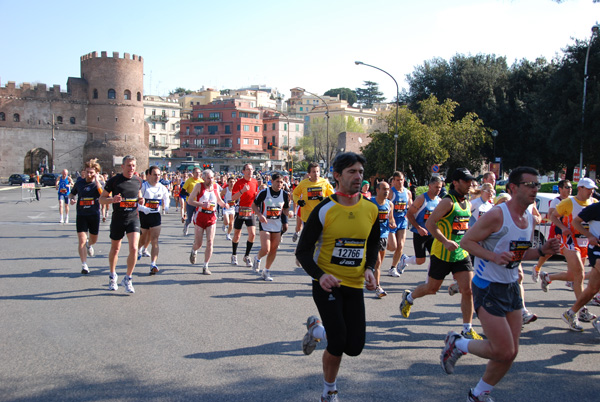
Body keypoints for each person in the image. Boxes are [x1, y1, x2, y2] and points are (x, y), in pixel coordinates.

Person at [444, 167, 560, 402]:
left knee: (511, 353)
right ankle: (458, 343)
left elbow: (519, 254)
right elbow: (467, 242)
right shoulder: (497, 214)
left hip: (511, 287)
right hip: (488, 286)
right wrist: (493, 257)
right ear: (513, 188)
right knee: (503, 350)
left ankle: (479, 393)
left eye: (537, 184)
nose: (535, 189)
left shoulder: (528, 217)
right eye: (530, 184)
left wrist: (541, 251)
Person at [296, 152, 379, 402]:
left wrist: (369, 268)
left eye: (361, 172)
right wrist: (320, 276)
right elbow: (302, 251)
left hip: (354, 284)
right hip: (327, 285)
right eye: (352, 172)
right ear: (337, 176)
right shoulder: (324, 209)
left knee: (354, 347)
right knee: (338, 341)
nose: (358, 176)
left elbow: (373, 242)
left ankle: (316, 327)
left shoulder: (371, 209)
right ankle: (329, 389)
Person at [399, 168, 482, 340]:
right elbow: (430, 223)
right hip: (442, 253)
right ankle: (409, 297)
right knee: (431, 288)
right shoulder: (448, 202)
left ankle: (467, 328)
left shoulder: (466, 200)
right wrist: (445, 241)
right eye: (465, 181)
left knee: (468, 290)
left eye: (470, 181)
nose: (469, 184)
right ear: (456, 182)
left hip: (461, 253)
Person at [541, 177, 598, 323]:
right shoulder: (568, 203)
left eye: (593, 190)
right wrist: (563, 227)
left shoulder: (594, 203)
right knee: (579, 272)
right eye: (588, 189)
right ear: (580, 188)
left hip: (586, 242)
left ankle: (548, 277)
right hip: (569, 241)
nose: (591, 192)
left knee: (574, 275)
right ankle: (581, 311)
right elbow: (552, 216)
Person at [99, 155, 144, 294]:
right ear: (123, 166)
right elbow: (101, 199)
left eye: (133, 166)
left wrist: (141, 199)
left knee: (134, 248)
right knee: (115, 248)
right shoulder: (114, 181)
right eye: (129, 165)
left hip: (133, 218)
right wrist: (112, 199)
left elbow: (138, 193)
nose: (131, 168)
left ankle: (128, 278)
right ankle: (112, 276)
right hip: (118, 218)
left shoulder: (138, 180)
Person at [562, 201, 600, 333]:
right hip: (597, 250)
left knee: (592, 289)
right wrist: (590, 236)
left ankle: (570, 313)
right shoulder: (595, 208)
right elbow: (575, 222)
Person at [399, 176, 443, 273]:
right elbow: (409, 214)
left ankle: (429, 281)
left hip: (432, 234)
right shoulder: (421, 199)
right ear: (430, 186)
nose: (438, 189)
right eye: (436, 187)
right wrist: (418, 228)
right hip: (420, 233)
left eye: (440, 187)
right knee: (420, 260)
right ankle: (404, 260)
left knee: (435, 259)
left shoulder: (439, 201)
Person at [252, 172, 290, 281]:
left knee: (274, 250)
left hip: (277, 224)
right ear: (272, 181)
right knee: (266, 249)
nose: (279, 184)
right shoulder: (264, 193)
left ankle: (266, 271)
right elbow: (254, 205)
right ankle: (257, 258)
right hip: (265, 223)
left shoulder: (284, 195)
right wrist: (259, 215)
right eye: (277, 181)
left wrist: (289, 213)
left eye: (281, 182)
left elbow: (286, 209)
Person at [532, 179, 572, 282]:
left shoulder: (571, 201)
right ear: (560, 189)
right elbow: (550, 215)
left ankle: (571, 277)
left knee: (571, 252)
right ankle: (537, 268)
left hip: (568, 230)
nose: (569, 189)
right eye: (567, 187)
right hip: (557, 229)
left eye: (570, 187)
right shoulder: (556, 200)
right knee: (550, 252)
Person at [187, 169, 227, 275]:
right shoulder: (199, 186)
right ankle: (194, 250)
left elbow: (218, 200)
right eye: (208, 178)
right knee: (199, 243)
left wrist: (224, 205)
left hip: (211, 217)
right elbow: (190, 201)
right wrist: (201, 204)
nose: (211, 180)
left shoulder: (215, 186)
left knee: (210, 242)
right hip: (200, 217)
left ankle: (205, 266)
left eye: (212, 178)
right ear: (203, 178)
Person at [69, 159, 103, 274]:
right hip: (82, 215)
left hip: (94, 214)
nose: (89, 175)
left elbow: (103, 194)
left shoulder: (99, 184)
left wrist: (97, 181)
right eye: (87, 172)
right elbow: (72, 193)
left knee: (93, 239)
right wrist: (72, 198)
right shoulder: (79, 183)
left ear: (96, 173)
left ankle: (90, 245)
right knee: (82, 240)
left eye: (91, 173)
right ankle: (84, 265)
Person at [137, 166, 170, 275]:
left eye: (159, 175)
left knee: (154, 239)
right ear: (149, 175)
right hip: (144, 215)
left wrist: (167, 206)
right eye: (155, 174)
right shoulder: (143, 186)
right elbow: (135, 202)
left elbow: (166, 197)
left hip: (155, 215)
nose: (157, 177)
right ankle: (138, 249)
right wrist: (143, 208)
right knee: (143, 239)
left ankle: (153, 264)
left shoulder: (162, 187)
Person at [292, 162, 334, 242]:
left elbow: (333, 197)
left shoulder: (325, 183)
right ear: (309, 173)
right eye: (313, 172)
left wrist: (324, 198)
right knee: (310, 238)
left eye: (317, 171)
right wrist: (299, 201)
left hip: (321, 214)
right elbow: (295, 194)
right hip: (307, 215)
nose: (316, 174)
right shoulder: (303, 183)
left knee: (320, 238)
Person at [370, 181, 396, 298]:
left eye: (388, 189)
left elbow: (391, 219)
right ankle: (378, 287)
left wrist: (392, 224)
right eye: (384, 189)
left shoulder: (390, 204)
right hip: (372, 236)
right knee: (378, 262)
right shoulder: (370, 203)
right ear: (377, 190)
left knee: (378, 265)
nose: (386, 191)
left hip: (384, 236)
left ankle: (371, 277)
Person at [230, 164, 259, 266]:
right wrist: (242, 191)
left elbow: (255, 195)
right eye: (248, 169)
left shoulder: (255, 182)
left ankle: (246, 256)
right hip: (240, 210)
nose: (250, 171)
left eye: (251, 169)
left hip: (250, 210)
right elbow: (233, 198)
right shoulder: (239, 183)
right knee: (237, 234)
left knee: (253, 234)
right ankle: (234, 255)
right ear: (243, 171)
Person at [387, 171, 412, 277]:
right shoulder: (390, 192)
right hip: (391, 221)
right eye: (397, 180)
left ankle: (393, 268)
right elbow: (384, 205)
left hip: (402, 221)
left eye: (401, 180)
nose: (400, 182)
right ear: (393, 181)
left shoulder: (407, 192)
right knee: (392, 247)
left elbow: (411, 206)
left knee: (400, 245)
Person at [182, 168, 203, 235]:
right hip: (190, 203)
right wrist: (189, 194)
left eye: (199, 172)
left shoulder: (201, 181)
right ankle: (186, 225)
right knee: (190, 219)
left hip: (198, 203)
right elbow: (182, 191)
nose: (197, 174)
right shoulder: (189, 181)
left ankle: (197, 232)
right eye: (196, 172)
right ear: (193, 173)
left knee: (197, 219)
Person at [221, 176, 237, 241]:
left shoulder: (236, 190)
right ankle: (224, 225)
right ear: (228, 183)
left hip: (232, 207)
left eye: (233, 182)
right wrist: (223, 203)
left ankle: (228, 234)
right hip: (226, 208)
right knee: (227, 222)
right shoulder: (225, 190)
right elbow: (219, 196)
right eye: (230, 182)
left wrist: (236, 202)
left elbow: (239, 197)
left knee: (231, 223)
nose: (232, 183)